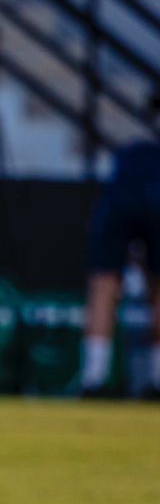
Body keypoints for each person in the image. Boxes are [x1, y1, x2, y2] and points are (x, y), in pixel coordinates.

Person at [81, 139, 160, 397]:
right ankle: (154, 379)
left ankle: (94, 378)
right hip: (141, 197)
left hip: (119, 198)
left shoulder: (129, 153)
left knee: (103, 286)